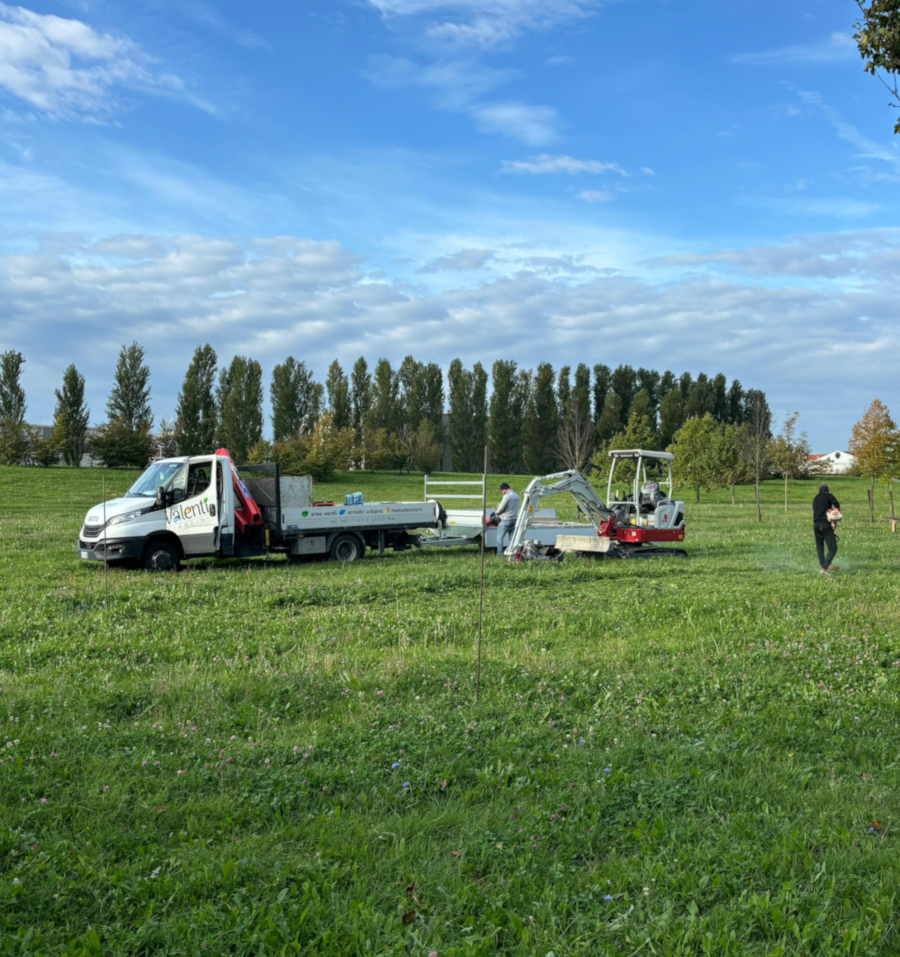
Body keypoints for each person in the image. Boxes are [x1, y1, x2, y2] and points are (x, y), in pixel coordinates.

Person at [812, 483, 841, 575]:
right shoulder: (829, 496)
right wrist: (835, 518)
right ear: (827, 490)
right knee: (833, 547)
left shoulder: (816, 498)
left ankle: (823, 565)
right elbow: (836, 504)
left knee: (820, 547)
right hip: (825, 524)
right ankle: (824, 568)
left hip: (816, 525)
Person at [494, 482, 520, 557]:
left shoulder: (507, 496)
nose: (502, 493)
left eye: (502, 491)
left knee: (499, 537)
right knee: (512, 539)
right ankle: (513, 553)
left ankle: (500, 554)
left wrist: (496, 511)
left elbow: (501, 509)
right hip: (514, 520)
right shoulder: (516, 495)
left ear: (504, 489)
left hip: (506, 520)